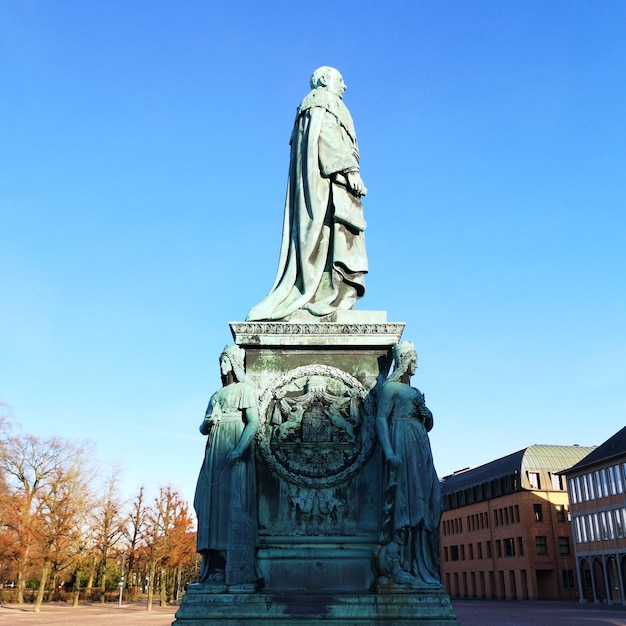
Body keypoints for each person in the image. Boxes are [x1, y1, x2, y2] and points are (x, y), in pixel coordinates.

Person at [246, 66, 368, 321]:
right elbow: (327, 139)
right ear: (324, 80)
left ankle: (329, 296)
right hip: (330, 187)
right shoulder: (322, 102)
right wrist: (350, 170)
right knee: (329, 237)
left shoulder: (322, 106)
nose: (345, 87)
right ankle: (326, 297)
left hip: (333, 185)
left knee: (332, 240)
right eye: (341, 80)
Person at [375, 341, 442, 588]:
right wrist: (389, 451)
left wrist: (427, 416)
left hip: (420, 446)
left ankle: (421, 563)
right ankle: (403, 562)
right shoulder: (390, 388)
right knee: (407, 498)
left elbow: (428, 422)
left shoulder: (414, 391)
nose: (417, 364)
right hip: (401, 440)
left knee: (428, 496)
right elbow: (381, 419)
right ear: (405, 360)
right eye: (414, 359)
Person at [193, 344, 259, 591]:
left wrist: (240, 449)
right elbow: (202, 428)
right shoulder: (216, 395)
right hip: (214, 454)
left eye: (223, 362)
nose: (221, 368)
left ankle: (230, 564)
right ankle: (212, 566)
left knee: (229, 506)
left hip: (232, 449)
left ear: (233, 364)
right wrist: (208, 423)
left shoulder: (245, 390)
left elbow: (253, 422)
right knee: (208, 505)